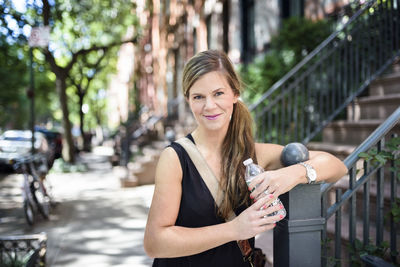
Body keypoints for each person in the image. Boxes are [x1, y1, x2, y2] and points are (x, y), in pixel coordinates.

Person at [143, 50, 348, 266]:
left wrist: (292, 174)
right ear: (188, 100)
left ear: (235, 93)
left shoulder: (254, 154)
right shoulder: (175, 158)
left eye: (218, 93)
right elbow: (154, 242)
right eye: (198, 97)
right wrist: (234, 229)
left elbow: (336, 166)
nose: (209, 105)